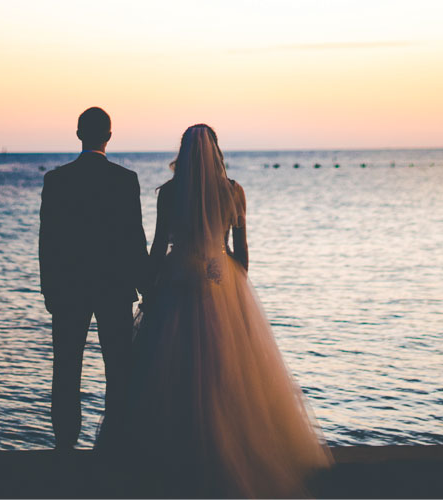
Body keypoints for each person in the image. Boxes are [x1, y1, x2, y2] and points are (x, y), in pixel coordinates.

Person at [126, 124, 332, 497]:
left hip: (176, 285)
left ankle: (174, 462)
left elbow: (158, 249)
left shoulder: (170, 194)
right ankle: (231, 452)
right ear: (216, 152)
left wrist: (150, 287)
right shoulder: (233, 192)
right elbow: (243, 252)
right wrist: (233, 286)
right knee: (227, 377)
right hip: (223, 285)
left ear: (184, 153)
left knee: (174, 375)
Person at [39, 107, 149, 451]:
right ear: (109, 136)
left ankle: (65, 443)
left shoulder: (56, 180)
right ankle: (115, 441)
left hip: (69, 287)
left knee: (66, 366)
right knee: (118, 367)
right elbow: (134, 239)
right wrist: (146, 287)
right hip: (114, 287)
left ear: (78, 134)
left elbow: (48, 241)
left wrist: (49, 290)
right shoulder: (124, 179)